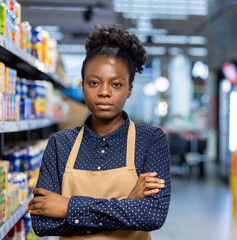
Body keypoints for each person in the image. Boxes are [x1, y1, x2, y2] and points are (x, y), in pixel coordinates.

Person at [27, 23, 171, 239]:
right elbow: (43, 223)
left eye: (116, 84)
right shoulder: (60, 143)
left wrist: (67, 207)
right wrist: (128, 205)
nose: (104, 92)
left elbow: (152, 215)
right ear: (83, 85)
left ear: (129, 89)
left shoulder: (150, 140)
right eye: (94, 83)